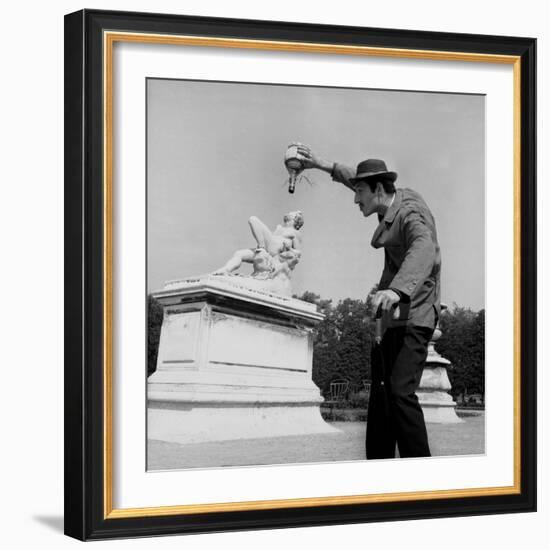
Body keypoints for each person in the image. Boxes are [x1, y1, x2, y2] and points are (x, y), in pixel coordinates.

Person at [297, 145, 440, 459]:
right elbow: (353, 178)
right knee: (380, 392)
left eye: (359, 192)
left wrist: (396, 289)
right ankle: (379, 470)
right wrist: (320, 164)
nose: (354, 198)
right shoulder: (387, 200)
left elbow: (423, 247)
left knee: (400, 391)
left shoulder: (409, 213)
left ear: (377, 189)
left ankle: (425, 476)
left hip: (414, 313)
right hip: (391, 314)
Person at [213, 211, 303, 292]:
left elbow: (298, 254)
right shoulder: (279, 228)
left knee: (253, 220)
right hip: (269, 250)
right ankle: (226, 269)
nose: (288, 213)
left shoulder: (295, 232)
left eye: (291, 213)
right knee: (239, 254)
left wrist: (289, 249)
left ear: (295, 219)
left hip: (273, 251)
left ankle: (261, 247)